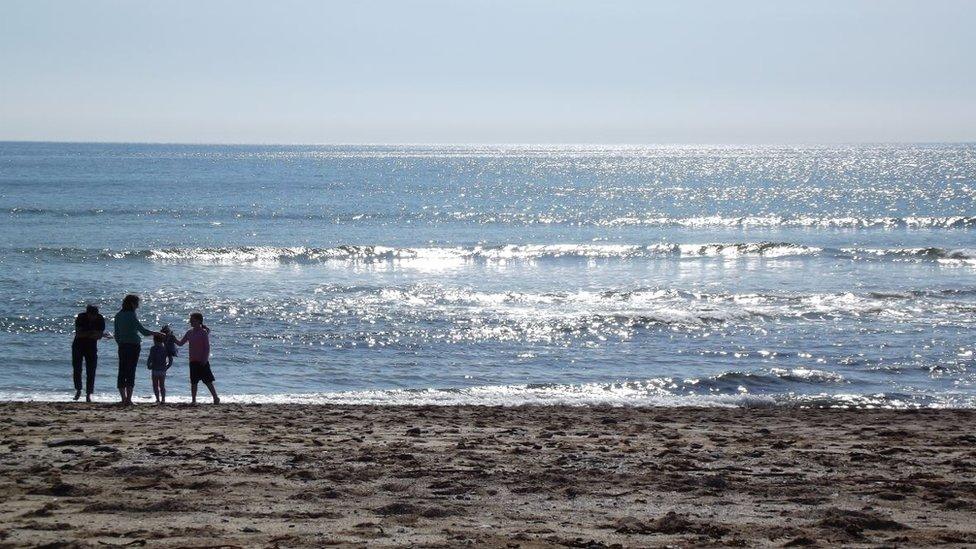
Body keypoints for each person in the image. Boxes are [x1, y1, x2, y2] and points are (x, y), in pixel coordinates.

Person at [113, 294, 161, 405]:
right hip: (133, 345)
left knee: (122, 371)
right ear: (132, 304)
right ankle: (128, 399)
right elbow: (143, 331)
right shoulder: (131, 315)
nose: (137, 306)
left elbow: (116, 334)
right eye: (136, 303)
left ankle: (123, 398)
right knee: (131, 371)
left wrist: (120, 343)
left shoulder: (118, 315)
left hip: (122, 345)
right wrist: (156, 333)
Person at [174, 312, 219, 404]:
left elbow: (207, 347)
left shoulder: (203, 332)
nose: (190, 321)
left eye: (192, 320)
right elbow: (180, 343)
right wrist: (173, 339)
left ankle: (215, 398)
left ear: (199, 321)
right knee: (193, 382)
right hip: (193, 360)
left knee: (207, 381)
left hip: (202, 361)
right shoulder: (189, 332)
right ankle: (193, 400)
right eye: (190, 320)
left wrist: (205, 359)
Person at [71, 304, 106, 402]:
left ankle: (89, 393)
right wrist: (92, 333)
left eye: (95, 315)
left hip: (91, 346)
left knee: (91, 370)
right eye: (91, 315)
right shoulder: (81, 317)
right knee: (77, 368)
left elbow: (99, 336)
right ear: (87, 313)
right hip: (78, 345)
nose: (93, 318)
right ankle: (78, 389)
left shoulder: (100, 319)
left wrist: (89, 334)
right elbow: (79, 334)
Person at [147, 333, 170, 404]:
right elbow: (170, 359)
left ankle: (157, 399)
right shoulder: (165, 348)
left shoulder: (153, 348)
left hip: (155, 369)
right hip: (163, 369)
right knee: (162, 385)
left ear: (155, 340)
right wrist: (168, 366)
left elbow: (150, 358)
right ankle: (163, 399)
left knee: (155, 385)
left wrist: (148, 365)